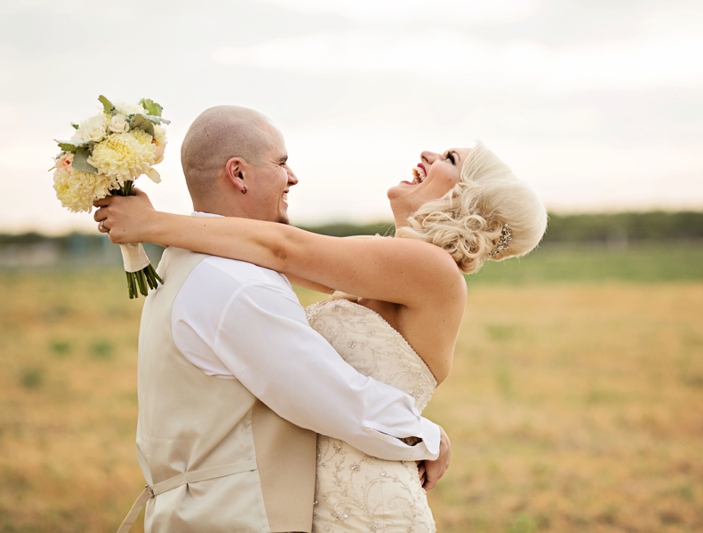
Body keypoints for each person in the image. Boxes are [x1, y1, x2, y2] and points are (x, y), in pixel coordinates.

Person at [96, 108, 547, 532]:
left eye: (450, 158)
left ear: (468, 197)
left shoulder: (432, 268)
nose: (429, 154)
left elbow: (283, 250)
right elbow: (268, 251)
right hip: (316, 498)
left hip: (369, 501)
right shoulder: (382, 265)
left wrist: (149, 224)